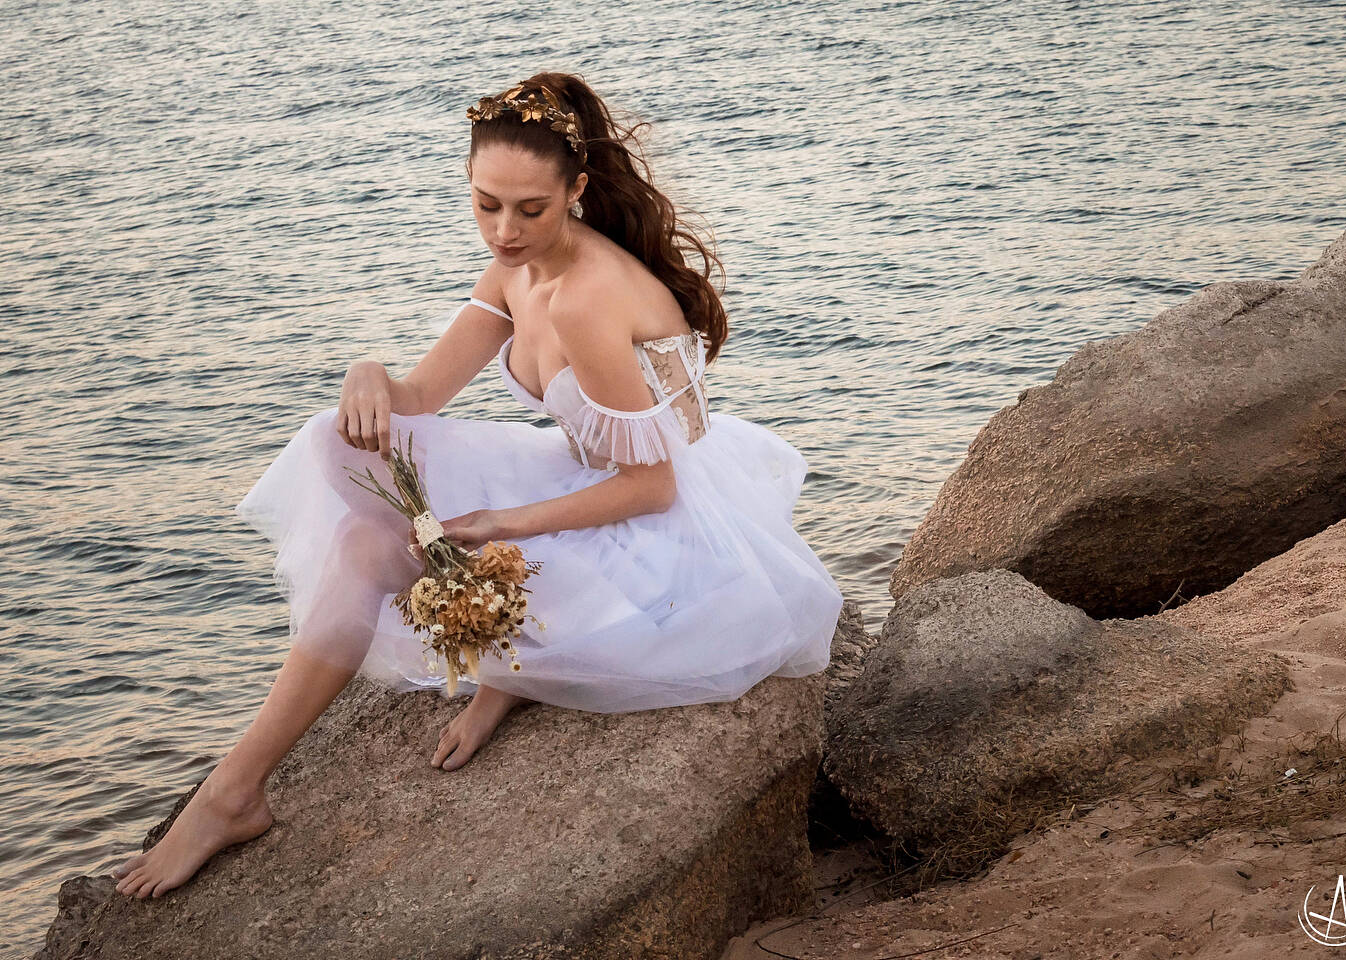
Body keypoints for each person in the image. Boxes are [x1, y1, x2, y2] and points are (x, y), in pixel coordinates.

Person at [111, 71, 844, 900]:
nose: (504, 230)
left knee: (367, 551)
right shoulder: (512, 272)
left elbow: (653, 489)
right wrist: (366, 371)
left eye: (530, 209)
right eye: (486, 204)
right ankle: (480, 680)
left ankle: (233, 793)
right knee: (335, 443)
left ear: (577, 191)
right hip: (578, 478)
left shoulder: (586, 299)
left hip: (656, 537)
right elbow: (420, 396)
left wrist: (504, 523)